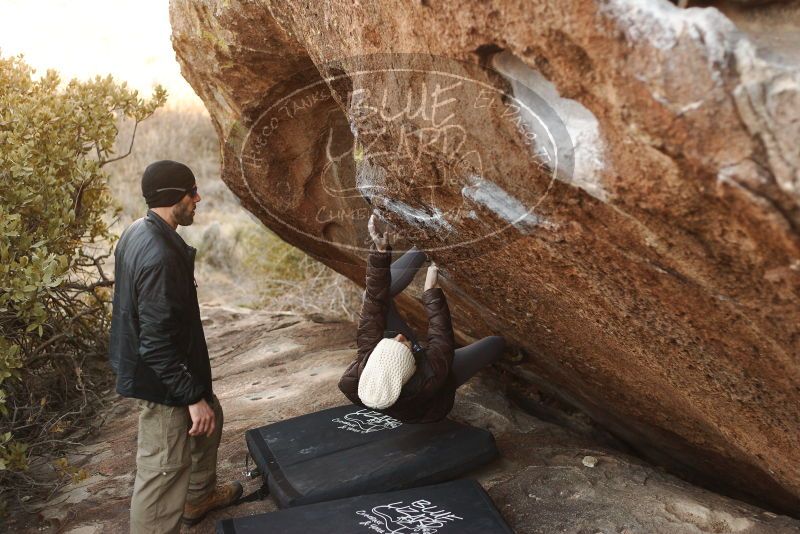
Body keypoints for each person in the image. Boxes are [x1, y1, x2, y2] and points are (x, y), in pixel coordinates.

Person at [108, 160, 242, 533]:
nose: (197, 198)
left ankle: (198, 498)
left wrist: (199, 395)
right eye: (191, 192)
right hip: (161, 381)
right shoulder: (160, 256)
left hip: (176, 369)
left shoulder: (140, 230)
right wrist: (190, 396)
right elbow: (155, 344)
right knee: (162, 471)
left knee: (209, 420)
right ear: (172, 198)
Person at [338, 212, 506, 423]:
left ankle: (424, 246)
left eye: (389, 342)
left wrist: (380, 253)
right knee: (495, 344)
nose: (399, 337)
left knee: (374, 300)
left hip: (399, 372)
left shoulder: (356, 377)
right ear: (413, 368)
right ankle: (511, 356)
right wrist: (431, 292)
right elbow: (441, 337)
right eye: (403, 346)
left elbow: (373, 305)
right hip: (437, 388)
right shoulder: (431, 377)